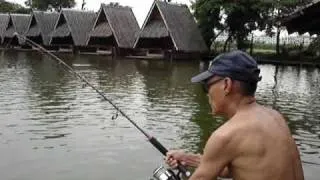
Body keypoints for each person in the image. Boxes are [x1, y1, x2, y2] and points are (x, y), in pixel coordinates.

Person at [165, 50, 304, 180]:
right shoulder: (275, 117)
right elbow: (239, 167)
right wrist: (189, 159)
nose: (207, 94)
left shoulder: (226, 135)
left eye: (207, 86)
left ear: (226, 84)